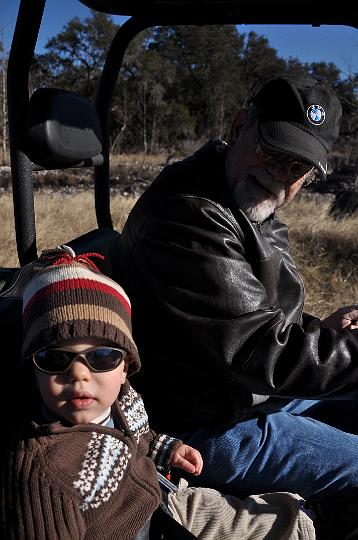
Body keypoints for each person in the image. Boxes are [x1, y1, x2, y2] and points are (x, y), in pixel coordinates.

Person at [114, 75, 358, 503]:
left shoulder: (240, 200)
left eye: (297, 167)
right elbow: (261, 349)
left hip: (242, 396)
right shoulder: (188, 216)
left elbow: (266, 315)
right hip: (200, 427)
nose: (280, 174)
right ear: (238, 125)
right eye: (271, 151)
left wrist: (332, 333)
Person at [1, 245, 202, 540]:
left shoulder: (123, 398)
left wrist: (164, 448)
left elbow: (138, 434)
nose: (79, 374)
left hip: (157, 501)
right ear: (34, 371)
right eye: (55, 358)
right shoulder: (42, 472)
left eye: (103, 356)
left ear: (126, 367)